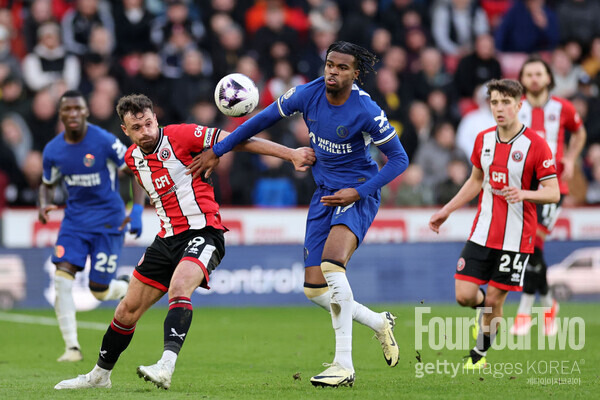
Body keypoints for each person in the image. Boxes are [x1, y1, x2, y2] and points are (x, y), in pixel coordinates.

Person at [54, 93, 315, 390]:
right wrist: (137, 208)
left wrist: (290, 154)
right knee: (126, 310)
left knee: (179, 288)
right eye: (137, 128)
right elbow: (134, 173)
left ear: (155, 119)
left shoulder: (182, 135)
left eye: (149, 123)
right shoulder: (132, 157)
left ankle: (166, 365)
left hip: (205, 232)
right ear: (125, 130)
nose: (146, 131)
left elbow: (239, 139)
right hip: (166, 239)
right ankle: (99, 376)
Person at [187, 41, 409, 388]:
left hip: (356, 193)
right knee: (315, 290)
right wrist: (217, 150)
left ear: (356, 73)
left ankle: (344, 365)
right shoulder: (307, 94)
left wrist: (360, 191)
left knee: (332, 265)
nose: (332, 72)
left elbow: (399, 159)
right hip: (324, 195)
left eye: (341, 67)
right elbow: (257, 122)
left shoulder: (367, 110)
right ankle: (378, 322)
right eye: (329, 64)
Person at [429, 79, 560, 368]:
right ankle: (486, 313)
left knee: (495, 301)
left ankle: (478, 357)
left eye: (505, 102)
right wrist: (447, 210)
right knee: (465, 297)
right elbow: (476, 181)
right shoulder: (483, 139)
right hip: (482, 232)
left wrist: (524, 193)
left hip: (517, 238)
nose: (499, 108)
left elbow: (554, 192)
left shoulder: (535, 145)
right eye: (494, 102)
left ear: (519, 105)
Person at [38, 90, 145, 362]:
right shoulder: (53, 150)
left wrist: (138, 210)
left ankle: (124, 286)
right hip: (74, 222)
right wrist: (44, 203)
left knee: (100, 289)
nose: (73, 114)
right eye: (67, 110)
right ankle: (72, 347)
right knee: (62, 276)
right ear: (60, 114)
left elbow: (134, 170)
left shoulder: (104, 141)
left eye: (78, 109)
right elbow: (47, 184)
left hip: (109, 221)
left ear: (86, 112)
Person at [510, 57, 587, 336]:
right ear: (522, 78)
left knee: (533, 246)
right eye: (528, 74)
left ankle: (524, 312)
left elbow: (580, 133)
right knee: (531, 248)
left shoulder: (563, 107)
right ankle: (549, 304)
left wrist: (570, 157)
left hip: (553, 189)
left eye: (538, 73)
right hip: (524, 188)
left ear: (547, 78)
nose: (533, 78)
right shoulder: (516, 108)